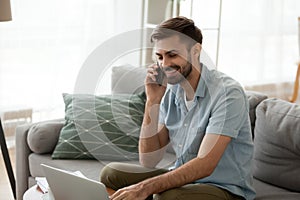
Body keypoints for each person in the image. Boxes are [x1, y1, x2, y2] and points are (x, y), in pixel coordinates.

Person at [100, 16, 256, 200]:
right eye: (160, 56)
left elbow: (205, 164)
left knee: (168, 197)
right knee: (111, 174)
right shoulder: (171, 90)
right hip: (185, 180)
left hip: (225, 188)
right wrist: (152, 101)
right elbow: (149, 159)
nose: (164, 64)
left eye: (172, 55)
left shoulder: (228, 93)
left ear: (196, 51)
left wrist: (144, 188)